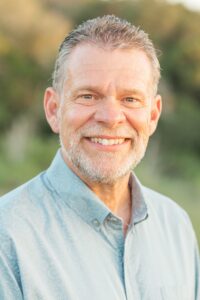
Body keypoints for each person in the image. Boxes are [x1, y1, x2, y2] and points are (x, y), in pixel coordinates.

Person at [0, 15, 199, 300]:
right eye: (88, 96)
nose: (110, 117)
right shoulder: (7, 237)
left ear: (153, 115)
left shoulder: (176, 226)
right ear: (54, 109)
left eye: (130, 99)